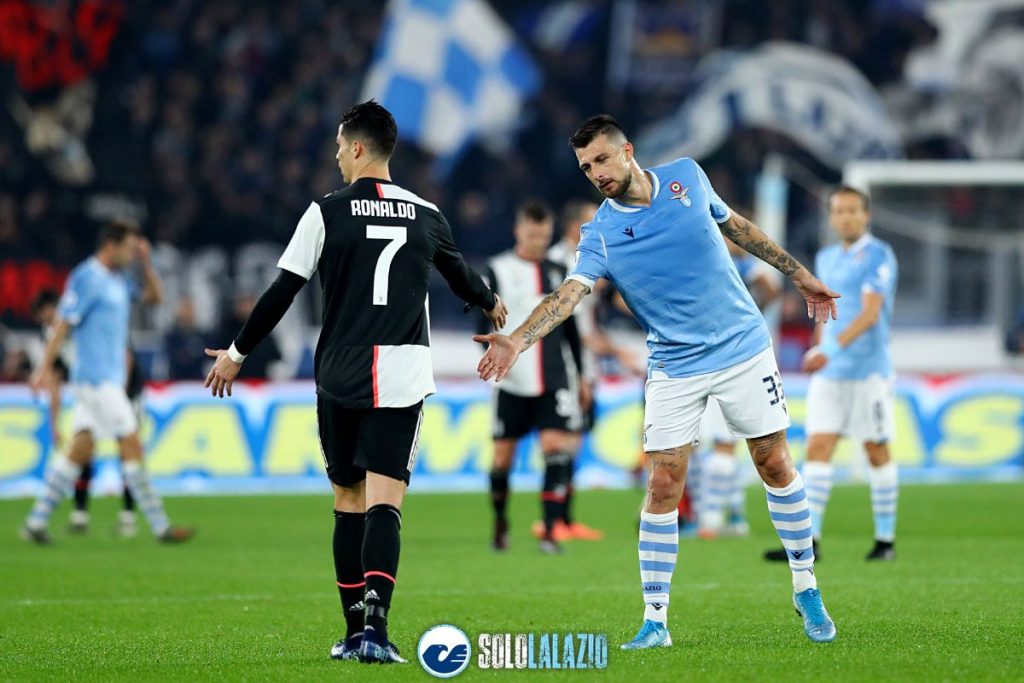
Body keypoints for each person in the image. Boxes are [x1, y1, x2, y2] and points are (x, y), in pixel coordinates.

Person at [475, 114, 841, 647]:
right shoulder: (599, 233)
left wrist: (798, 273)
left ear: (627, 150)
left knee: (773, 460)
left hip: (742, 347)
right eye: (585, 167)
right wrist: (516, 339)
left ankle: (806, 586)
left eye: (601, 159)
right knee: (663, 483)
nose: (595, 172)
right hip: (673, 365)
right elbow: (569, 295)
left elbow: (736, 226)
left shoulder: (687, 177)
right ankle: (655, 620)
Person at [203, 101, 506, 665]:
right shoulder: (426, 213)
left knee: (347, 499)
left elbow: (282, 291)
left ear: (360, 148)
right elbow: (461, 274)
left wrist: (238, 352)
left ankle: (351, 631)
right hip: (401, 371)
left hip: (340, 368)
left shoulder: (324, 212)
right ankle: (376, 631)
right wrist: (491, 304)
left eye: (342, 146)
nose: (337, 155)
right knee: (385, 502)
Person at [22, 220, 193, 546]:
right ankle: (161, 527)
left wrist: (145, 262)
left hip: (105, 380)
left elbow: (155, 299)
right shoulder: (87, 277)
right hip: (97, 381)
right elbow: (62, 324)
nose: (132, 254)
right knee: (130, 442)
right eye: (129, 248)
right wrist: (43, 368)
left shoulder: (119, 279)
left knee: (80, 449)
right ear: (110, 245)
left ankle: (36, 521)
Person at [764, 186, 899, 563]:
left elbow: (871, 315)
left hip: (868, 371)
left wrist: (830, 350)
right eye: (839, 211)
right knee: (819, 448)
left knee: (875, 449)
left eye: (853, 210)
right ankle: (812, 540)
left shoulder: (878, 256)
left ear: (866, 215)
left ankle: (885, 541)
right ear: (831, 217)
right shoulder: (825, 258)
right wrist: (818, 345)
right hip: (831, 372)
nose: (846, 217)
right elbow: (826, 313)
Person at [480, 199, 585, 554]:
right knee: (502, 460)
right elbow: (482, 325)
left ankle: (551, 531)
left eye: (543, 235)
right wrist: (492, 361)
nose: (538, 241)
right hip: (511, 381)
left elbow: (571, 330)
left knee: (557, 450)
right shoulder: (496, 270)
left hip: (554, 377)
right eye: (532, 234)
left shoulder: (560, 271)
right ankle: (499, 522)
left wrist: (581, 375)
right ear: (518, 231)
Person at [30, 289, 142, 537]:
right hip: (92, 395)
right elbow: (55, 381)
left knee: (127, 451)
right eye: (44, 321)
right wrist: (54, 422)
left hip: (123, 391)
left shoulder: (89, 322)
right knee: (82, 451)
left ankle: (128, 516)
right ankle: (74, 514)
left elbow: (126, 355)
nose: (48, 324)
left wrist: (118, 395)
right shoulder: (54, 337)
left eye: (50, 317)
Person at [696, 237, 782, 539]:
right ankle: (735, 515)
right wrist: (752, 312)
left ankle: (710, 519)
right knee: (739, 438)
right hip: (751, 354)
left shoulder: (714, 264)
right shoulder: (746, 265)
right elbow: (772, 288)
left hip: (719, 356)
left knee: (720, 440)